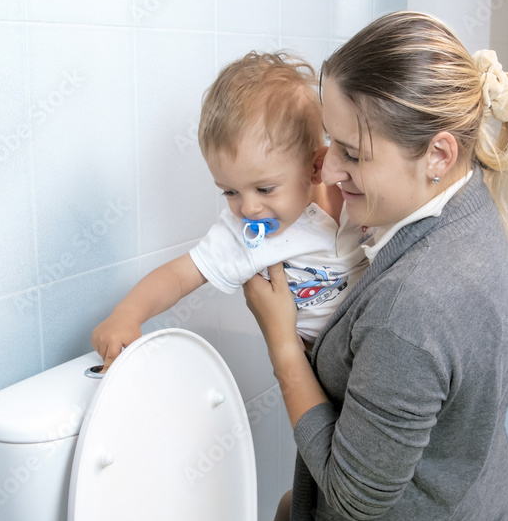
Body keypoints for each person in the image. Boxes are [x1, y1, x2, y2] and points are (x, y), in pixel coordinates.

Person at [243, 11, 508, 521]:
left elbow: (354, 498)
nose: (329, 171)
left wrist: (283, 347)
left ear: (438, 154)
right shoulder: (470, 205)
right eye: (330, 141)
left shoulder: (412, 307)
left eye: (353, 154)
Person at [92, 51, 368, 372]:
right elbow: (178, 276)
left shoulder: (355, 193)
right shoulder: (242, 234)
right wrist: (127, 314)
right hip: (322, 364)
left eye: (265, 189)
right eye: (230, 191)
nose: (248, 208)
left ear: (316, 167)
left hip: (372, 337)